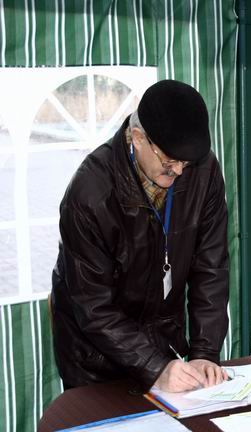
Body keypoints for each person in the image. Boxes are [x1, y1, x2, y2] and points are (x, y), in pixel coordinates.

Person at [51, 80, 230, 393]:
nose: (179, 173)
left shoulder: (204, 172)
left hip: (164, 344)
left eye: (187, 163)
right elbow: (93, 307)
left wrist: (204, 351)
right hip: (95, 359)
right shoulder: (90, 193)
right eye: (169, 162)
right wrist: (154, 367)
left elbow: (211, 268)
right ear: (137, 138)